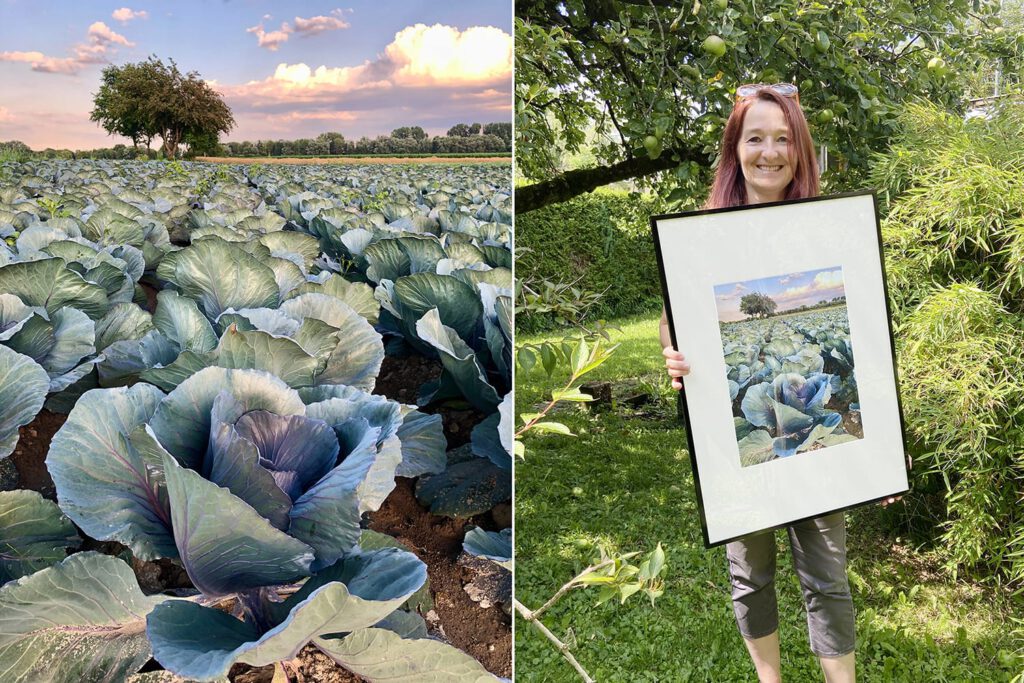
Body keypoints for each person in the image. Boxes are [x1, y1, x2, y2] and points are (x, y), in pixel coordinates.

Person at [659, 83, 899, 683]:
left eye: (783, 139)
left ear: (801, 149)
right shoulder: (702, 237)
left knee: (827, 572)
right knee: (751, 571)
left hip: (816, 451)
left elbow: (865, 340)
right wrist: (676, 359)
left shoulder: (832, 232)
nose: (770, 152)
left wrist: (883, 448)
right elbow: (674, 322)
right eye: (755, 138)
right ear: (734, 149)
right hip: (742, 454)